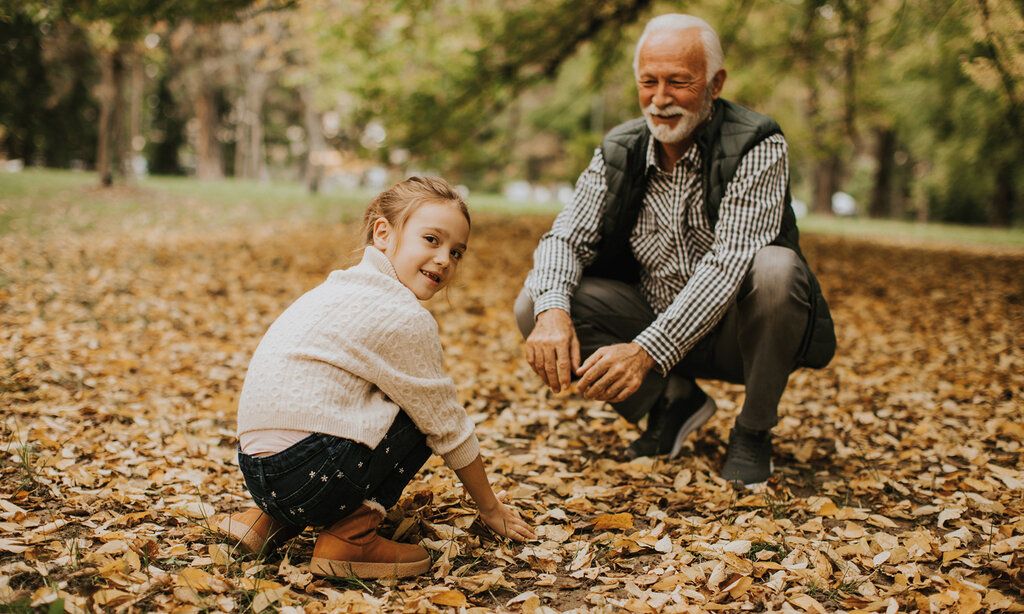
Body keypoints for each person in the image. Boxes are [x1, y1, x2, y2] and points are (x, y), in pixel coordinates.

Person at [516, 14, 835, 486]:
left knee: (775, 269)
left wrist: (646, 352)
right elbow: (565, 237)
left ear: (715, 83)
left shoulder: (758, 143)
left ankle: (753, 430)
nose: (660, 99)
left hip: (738, 336)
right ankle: (672, 402)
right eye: (648, 82)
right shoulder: (620, 149)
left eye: (678, 82)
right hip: (647, 313)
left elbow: (730, 264)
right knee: (536, 302)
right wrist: (552, 314)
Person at [218, 176, 535, 579]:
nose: (444, 260)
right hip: (310, 474)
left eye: (457, 252)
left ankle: (264, 521)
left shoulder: (331, 290)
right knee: (423, 411)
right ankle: (350, 538)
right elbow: (448, 426)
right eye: (432, 240)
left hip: (257, 472)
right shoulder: (402, 315)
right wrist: (490, 508)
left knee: (355, 405)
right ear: (383, 233)